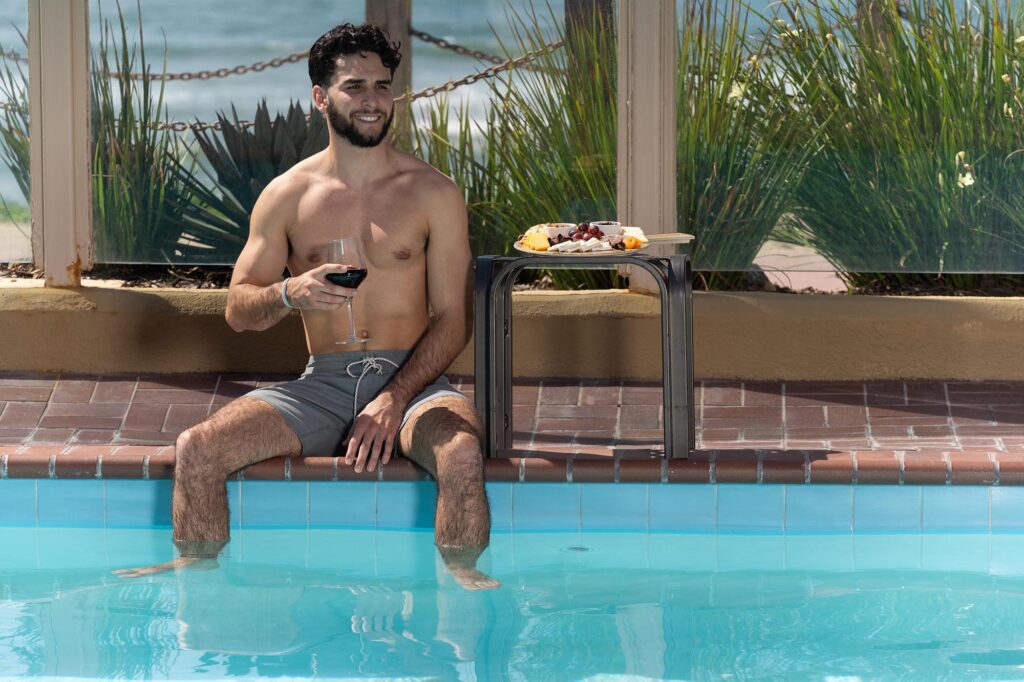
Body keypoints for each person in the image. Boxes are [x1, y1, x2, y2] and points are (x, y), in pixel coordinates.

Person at [115, 22, 498, 591]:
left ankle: (463, 587)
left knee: (462, 455)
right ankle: (198, 583)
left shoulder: (433, 193)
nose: (372, 101)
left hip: (415, 384)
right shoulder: (287, 195)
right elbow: (239, 310)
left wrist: (393, 400)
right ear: (321, 97)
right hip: (322, 382)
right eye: (354, 87)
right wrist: (290, 292)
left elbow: (454, 320)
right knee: (197, 449)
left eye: (381, 86)